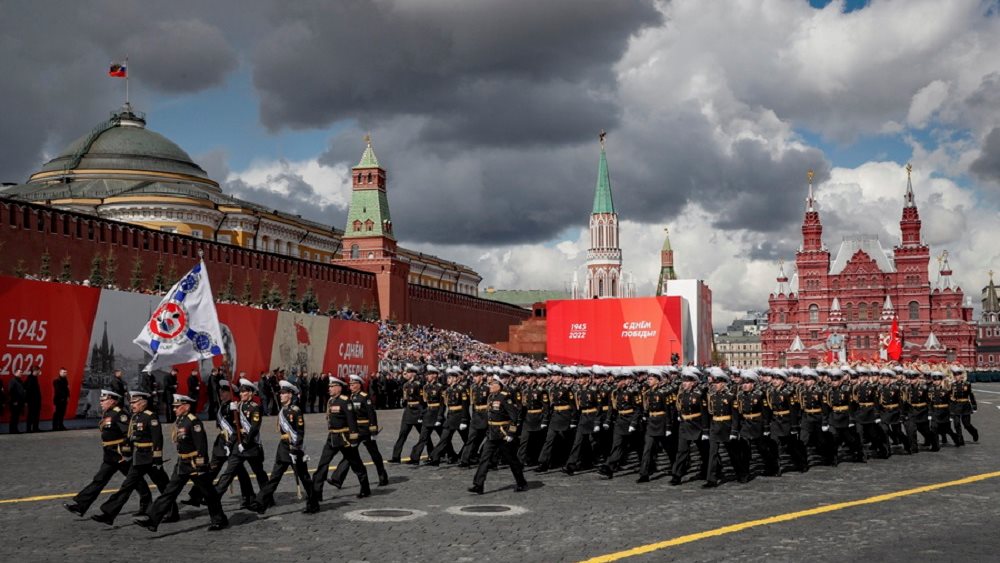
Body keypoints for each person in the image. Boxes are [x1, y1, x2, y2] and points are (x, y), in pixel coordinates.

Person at [138, 394, 228, 532]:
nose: (174, 409)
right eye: (174, 407)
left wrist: (200, 464)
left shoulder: (194, 422)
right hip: (182, 463)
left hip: (194, 464)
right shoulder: (180, 420)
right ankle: (153, 520)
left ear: (186, 407)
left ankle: (219, 519)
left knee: (209, 494)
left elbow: (201, 445)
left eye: (177, 407)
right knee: (169, 492)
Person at [90, 391, 177, 525]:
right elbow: (131, 437)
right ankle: (109, 513)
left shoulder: (150, 417)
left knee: (164, 487)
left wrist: (157, 459)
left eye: (134, 403)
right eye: (131, 403)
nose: (132, 405)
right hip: (139, 458)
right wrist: (126, 452)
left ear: (143, 403)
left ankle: (172, 513)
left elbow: (157, 439)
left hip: (151, 458)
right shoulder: (136, 417)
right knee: (127, 486)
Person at [63, 390, 153, 516]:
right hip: (110, 455)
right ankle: (80, 506)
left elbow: (129, 434)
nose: (101, 403)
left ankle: (147, 506)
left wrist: (126, 453)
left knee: (135, 481)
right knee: (99, 480)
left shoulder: (119, 414)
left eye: (103, 400)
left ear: (112, 401)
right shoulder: (108, 413)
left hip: (120, 455)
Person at [181, 380, 257, 508]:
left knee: (238, 471)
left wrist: (230, 442)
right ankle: (196, 495)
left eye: (224, 391)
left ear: (230, 393)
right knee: (211, 469)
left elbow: (237, 427)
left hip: (231, 442)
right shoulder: (224, 405)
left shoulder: (235, 407)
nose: (221, 393)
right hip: (221, 443)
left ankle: (248, 497)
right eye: (220, 391)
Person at [250, 380, 319, 514]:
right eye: (280, 393)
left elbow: (300, 432)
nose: (280, 395)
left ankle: (313, 503)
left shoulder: (296, 411)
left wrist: (296, 447)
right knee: (274, 477)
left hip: (294, 448)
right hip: (283, 448)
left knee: (304, 478)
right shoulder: (282, 410)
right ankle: (260, 503)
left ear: (290, 395)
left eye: (283, 393)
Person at [312, 376, 370, 501]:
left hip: (344, 438)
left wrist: (354, 439)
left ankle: (365, 488)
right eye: (329, 387)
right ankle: (317, 494)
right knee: (322, 465)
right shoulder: (331, 401)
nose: (330, 389)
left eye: (332, 387)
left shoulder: (345, 401)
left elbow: (352, 421)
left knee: (356, 464)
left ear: (339, 388)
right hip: (332, 437)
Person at [468, 375, 528, 494]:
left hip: (503, 434)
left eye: (493, 385)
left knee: (511, 459)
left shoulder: (505, 398)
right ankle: (478, 485)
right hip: (492, 433)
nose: (490, 386)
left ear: (499, 386)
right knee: (484, 459)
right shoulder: (491, 397)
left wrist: (511, 432)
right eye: (490, 384)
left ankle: (521, 482)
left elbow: (514, 417)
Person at [214, 378, 269, 506]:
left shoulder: (255, 407)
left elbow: (254, 428)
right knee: (229, 471)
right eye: (241, 391)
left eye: (244, 392)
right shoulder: (237, 406)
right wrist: (229, 444)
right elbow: (236, 428)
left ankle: (267, 497)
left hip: (251, 446)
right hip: (238, 446)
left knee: (259, 473)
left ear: (250, 393)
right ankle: (215, 496)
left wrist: (245, 443)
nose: (241, 394)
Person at [328, 374, 389, 488]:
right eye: (350, 384)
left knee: (374, 454)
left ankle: (382, 476)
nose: (350, 386)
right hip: (354, 430)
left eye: (353, 384)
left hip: (365, 429)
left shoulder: (364, 397)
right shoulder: (349, 398)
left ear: (358, 385)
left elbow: (372, 414)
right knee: (349, 454)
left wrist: (373, 430)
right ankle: (337, 478)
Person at [670, 368, 709, 486]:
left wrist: (706, 430)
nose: (684, 383)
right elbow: (679, 407)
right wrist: (680, 417)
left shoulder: (699, 395)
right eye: (683, 381)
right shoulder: (681, 395)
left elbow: (704, 413)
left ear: (694, 382)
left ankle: (709, 470)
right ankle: (676, 475)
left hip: (697, 425)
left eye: (687, 381)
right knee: (682, 451)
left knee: (704, 451)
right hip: (685, 425)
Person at [427, 368, 469, 465]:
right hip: (450, 417)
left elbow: (465, 406)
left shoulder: (461, 389)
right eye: (448, 377)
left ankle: (466, 457)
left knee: (467, 440)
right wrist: (441, 417)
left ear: (456, 379)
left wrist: (464, 420)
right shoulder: (448, 390)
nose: (448, 379)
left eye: (450, 378)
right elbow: (444, 405)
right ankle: (434, 458)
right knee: (444, 439)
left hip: (459, 417)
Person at [408, 365, 445, 465]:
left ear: (434, 375)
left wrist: (440, 417)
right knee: (423, 438)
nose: (427, 376)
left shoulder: (440, 387)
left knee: (444, 438)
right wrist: (421, 415)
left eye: (429, 374)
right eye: (427, 374)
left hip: (436, 414)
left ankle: (450, 455)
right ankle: (415, 458)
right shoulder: (425, 387)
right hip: (428, 415)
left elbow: (442, 404)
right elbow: (424, 403)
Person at [390, 364, 424, 462]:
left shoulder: (419, 384)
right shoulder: (406, 384)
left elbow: (422, 400)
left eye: (408, 372)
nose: (407, 374)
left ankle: (432, 454)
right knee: (402, 434)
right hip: (408, 410)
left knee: (424, 435)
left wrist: (422, 413)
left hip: (417, 410)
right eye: (407, 372)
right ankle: (396, 457)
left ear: (413, 373)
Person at [950, 367, 978, 444]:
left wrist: (974, 405)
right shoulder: (952, 385)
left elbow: (970, 395)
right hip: (956, 406)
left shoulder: (967, 384)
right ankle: (960, 439)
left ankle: (974, 432)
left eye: (958, 375)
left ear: (961, 375)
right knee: (956, 424)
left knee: (967, 424)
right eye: (955, 375)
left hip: (965, 405)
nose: (956, 377)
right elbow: (950, 396)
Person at [7, 369, 26, 434]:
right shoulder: (12, 381)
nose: (21, 373)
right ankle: (12, 430)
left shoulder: (20, 381)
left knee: (17, 417)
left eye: (22, 372)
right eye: (20, 372)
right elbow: (10, 391)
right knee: (13, 417)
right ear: (15, 373)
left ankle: (15, 429)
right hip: (14, 402)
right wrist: (14, 401)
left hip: (19, 402)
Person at [25, 367, 42, 432]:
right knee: (31, 415)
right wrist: (27, 401)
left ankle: (35, 428)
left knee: (36, 415)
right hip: (32, 401)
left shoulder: (35, 378)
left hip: (36, 401)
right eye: (39, 370)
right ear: (35, 371)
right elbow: (28, 390)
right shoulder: (30, 378)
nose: (40, 372)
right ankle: (29, 429)